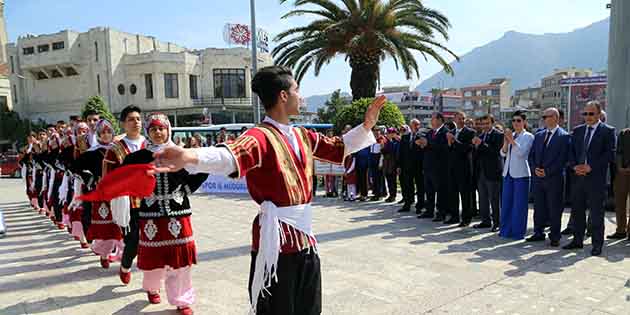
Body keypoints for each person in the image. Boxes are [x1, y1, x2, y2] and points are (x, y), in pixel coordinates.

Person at [150, 65, 385, 315]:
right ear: (283, 95)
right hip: (276, 243)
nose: (300, 96)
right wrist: (189, 155)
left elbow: (340, 147)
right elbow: (230, 155)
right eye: (297, 89)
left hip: (305, 239)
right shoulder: (259, 136)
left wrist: (367, 126)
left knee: (309, 307)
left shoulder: (303, 135)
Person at [120, 113, 208, 315]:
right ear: (147, 132)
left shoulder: (181, 154)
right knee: (153, 258)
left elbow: (202, 169)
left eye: (162, 128)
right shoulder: (136, 158)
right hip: (150, 214)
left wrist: (186, 190)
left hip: (178, 212)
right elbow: (124, 179)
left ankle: (182, 300)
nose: (158, 132)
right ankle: (151, 287)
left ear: (169, 130)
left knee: (181, 259)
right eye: (153, 129)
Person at [563, 101, 616, 256]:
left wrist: (591, 166)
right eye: (585, 114)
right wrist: (574, 166)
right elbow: (571, 152)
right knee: (577, 211)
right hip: (578, 178)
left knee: (596, 213)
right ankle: (577, 241)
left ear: (599, 114)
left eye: (591, 114)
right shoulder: (578, 131)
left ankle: (597, 244)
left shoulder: (607, 131)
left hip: (596, 179)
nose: (587, 117)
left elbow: (609, 154)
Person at [103, 105, 148, 285]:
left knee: (154, 241)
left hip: (152, 200)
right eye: (131, 119)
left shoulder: (150, 144)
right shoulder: (115, 149)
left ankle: (152, 283)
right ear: (123, 124)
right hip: (128, 203)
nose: (135, 122)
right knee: (134, 240)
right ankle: (126, 266)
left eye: (138, 119)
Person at [73, 119, 124, 268]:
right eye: (103, 132)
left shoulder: (119, 149)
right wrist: (89, 178)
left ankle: (123, 255)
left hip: (119, 193)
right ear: (98, 134)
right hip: (101, 194)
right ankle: (104, 253)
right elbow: (76, 168)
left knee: (122, 223)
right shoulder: (92, 153)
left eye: (109, 131)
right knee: (105, 228)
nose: (106, 135)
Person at [526, 108, 570, 246]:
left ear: (556, 118)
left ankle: (555, 236)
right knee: (538, 206)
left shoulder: (564, 136)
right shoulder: (539, 135)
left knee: (554, 208)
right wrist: (535, 169)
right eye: (543, 117)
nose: (544, 119)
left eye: (547, 116)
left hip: (554, 179)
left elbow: (563, 159)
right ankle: (538, 232)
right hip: (538, 178)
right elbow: (531, 155)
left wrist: (548, 171)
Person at [498, 111, 534, 240]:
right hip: (507, 173)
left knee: (519, 205)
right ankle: (505, 230)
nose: (516, 123)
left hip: (521, 175)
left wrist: (512, 140)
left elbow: (522, 153)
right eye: (513, 121)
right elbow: (502, 154)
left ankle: (518, 232)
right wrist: (506, 142)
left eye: (518, 120)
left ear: (524, 122)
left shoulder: (528, 136)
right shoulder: (511, 135)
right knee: (506, 203)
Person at [472, 115, 504, 232]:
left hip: (493, 172)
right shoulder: (480, 135)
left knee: (494, 199)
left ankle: (497, 222)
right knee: (482, 198)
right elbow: (477, 155)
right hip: (481, 172)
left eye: (487, 123)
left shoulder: (498, 135)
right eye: (483, 124)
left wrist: (481, 144)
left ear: (492, 123)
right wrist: (475, 146)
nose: (484, 126)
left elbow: (495, 152)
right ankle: (485, 221)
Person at [417, 112, 450, 222]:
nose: (431, 121)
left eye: (433, 119)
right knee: (429, 190)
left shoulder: (445, 132)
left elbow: (444, 148)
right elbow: (425, 144)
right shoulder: (430, 132)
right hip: (428, 166)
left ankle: (441, 213)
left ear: (440, 120)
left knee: (440, 192)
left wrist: (428, 144)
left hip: (439, 167)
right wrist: (421, 144)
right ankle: (429, 211)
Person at [447, 112, 476, 226]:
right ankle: (454, 216)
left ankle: (466, 218)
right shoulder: (452, 132)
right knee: (453, 194)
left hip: (464, 168)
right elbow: (448, 150)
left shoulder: (470, 132)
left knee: (465, 195)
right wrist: (449, 143)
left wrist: (454, 141)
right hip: (452, 168)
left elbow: (467, 148)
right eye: (459, 118)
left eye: (463, 118)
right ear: (454, 119)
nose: (461, 120)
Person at [397, 119, 424, 213]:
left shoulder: (422, 136)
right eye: (414, 124)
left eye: (418, 125)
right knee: (408, 185)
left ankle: (420, 206)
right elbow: (401, 153)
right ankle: (407, 203)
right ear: (411, 125)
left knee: (420, 186)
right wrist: (399, 165)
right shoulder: (405, 137)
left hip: (419, 166)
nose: (416, 126)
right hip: (407, 166)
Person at [609, 127, 630, 240]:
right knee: (619, 202)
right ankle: (620, 230)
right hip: (622, 173)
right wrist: (620, 166)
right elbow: (618, 152)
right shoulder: (624, 133)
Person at [382, 127, 400, 203]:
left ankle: (393, 195)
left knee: (392, 180)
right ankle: (391, 195)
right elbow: (384, 151)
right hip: (387, 163)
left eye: (390, 133)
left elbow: (394, 151)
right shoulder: (387, 141)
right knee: (389, 179)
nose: (388, 134)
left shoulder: (396, 141)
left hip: (393, 163)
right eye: (388, 133)